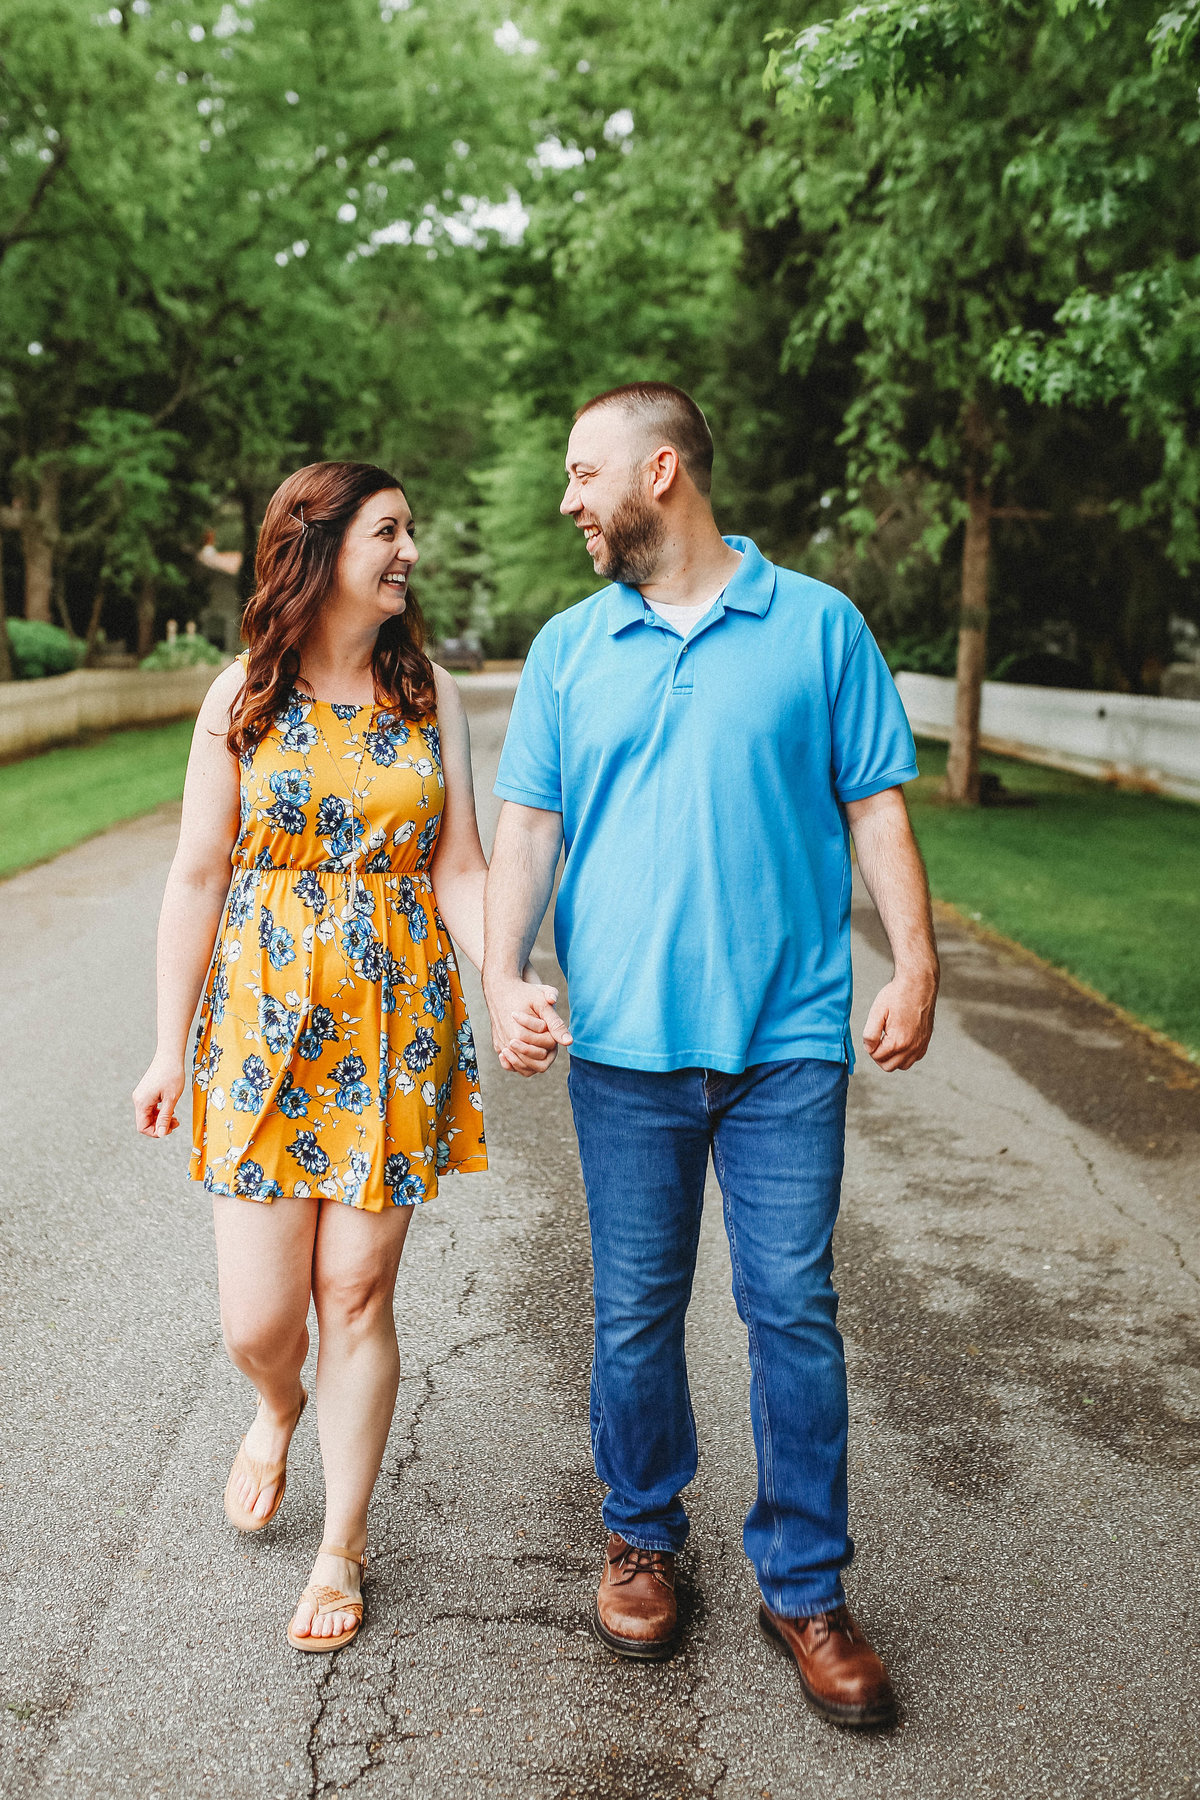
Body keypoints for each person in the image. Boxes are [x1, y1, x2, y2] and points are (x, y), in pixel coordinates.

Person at [483, 384, 939, 1729]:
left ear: (660, 471)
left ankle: (805, 1589)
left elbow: (876, 806)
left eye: (583, 473)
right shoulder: (571, 647)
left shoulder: (817, 626)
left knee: (792, 1311)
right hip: (623, 1049)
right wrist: (502, 975)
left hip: (788, 1043)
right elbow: (526, 832)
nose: (570, 500)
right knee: (633, 1314)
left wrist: (914, 960)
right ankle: (641, 1537)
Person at [133, 461, 556, 1652]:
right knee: (260, 1320)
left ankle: (342, 1547)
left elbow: (459, 868)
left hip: (392, 1030)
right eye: (389, 530)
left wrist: (506, 979)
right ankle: (276, 1406)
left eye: (410, 529)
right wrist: (168, 1050)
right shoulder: (243, 696)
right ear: (318, 549)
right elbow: (197, 875)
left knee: (356, 1293)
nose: (409, 549)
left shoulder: (431, 697)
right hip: (257, 1034)